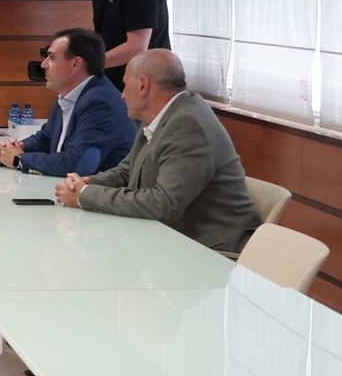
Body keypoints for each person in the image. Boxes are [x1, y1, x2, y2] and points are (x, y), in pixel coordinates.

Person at [55, 50, 260, 252]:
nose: (122, 95)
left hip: (210, 253)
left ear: (143, 85)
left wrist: (85, 195)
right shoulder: (162, 115)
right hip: (171, 243)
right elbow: (127, 171)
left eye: (125, 85)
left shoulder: (187, 124)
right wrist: (86, 183)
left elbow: (163, 204)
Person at [0, 28, 135, 177]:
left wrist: (19, 159)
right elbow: (46, 138)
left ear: (75, 63)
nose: (43, 64)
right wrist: (18, 147)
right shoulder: (69, 95)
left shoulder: (99, 102)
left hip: (100, 194)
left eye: (52, 57)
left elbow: (76, 163)